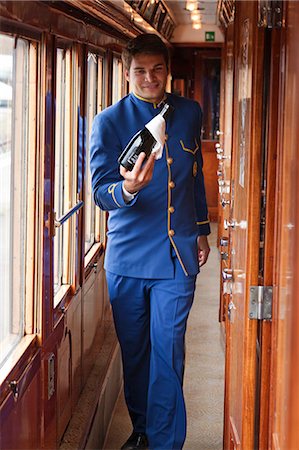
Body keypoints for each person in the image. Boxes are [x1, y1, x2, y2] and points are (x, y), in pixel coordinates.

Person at [90, 33, 210, 450]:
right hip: (126, 259)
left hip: (176, 258)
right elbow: (99, 191)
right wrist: (126, 191)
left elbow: (193, 178)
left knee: (167, 353)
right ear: (127, 73)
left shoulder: (189, 112)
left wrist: (202, 230)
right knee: (136, 355)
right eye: (140, 70)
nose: (150, 77)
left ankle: (164, 442)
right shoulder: (108, 122)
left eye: (157, 69)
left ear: (168, 71)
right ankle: (142, 430)